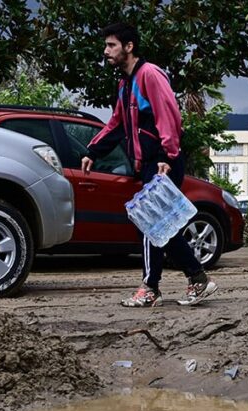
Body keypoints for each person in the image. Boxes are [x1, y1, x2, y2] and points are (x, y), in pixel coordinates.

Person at [82, 23, 217, 308]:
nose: (106, 51)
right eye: (106, 45)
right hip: (149, 165)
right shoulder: (125, 83)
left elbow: (169, 118)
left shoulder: (149, 75)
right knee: (160, 227)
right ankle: (195, 277)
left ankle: (152, 286)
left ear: (128, 47)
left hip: (162, 164)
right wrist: (93, 151)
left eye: (111, 45)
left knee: (151, 224)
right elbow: (117, 124)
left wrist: (166, 158)